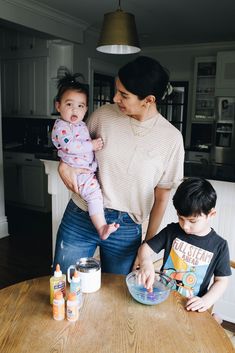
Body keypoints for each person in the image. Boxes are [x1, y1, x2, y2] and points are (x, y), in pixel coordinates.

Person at [53, 56, 185, 275]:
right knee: (66, 285)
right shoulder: (103, 115)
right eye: (117, 90)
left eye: (124, 95)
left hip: (125, 229)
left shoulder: (171, 139)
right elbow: (73, 146)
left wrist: (148, 246)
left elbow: (161, 197)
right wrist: (63, 166)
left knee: (118, 297)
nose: (115, 98)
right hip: (81, 215)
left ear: (148, 100)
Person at [137, 177, 231, 314]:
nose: (185, 226)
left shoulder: (219, 246)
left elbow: (221, 281)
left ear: (211, 214)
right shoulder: (172, 231)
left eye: (192, 221)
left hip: (190, 308)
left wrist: (206, 301)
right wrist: (146, 263)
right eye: (181, 218)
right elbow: (145, 249)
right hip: (163, 298)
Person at [51, 73, 119, 240]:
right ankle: (101, 227)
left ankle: (101, 225)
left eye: (81, 106)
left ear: (86, 109)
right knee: (94, 195)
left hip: (85, 171)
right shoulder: (61, 127)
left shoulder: (80, 124)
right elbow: (70, 146)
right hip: (79, 173)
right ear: (58, 106)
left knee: (96, 195)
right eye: (69, 104)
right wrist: (93, 145)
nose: (75, 110)